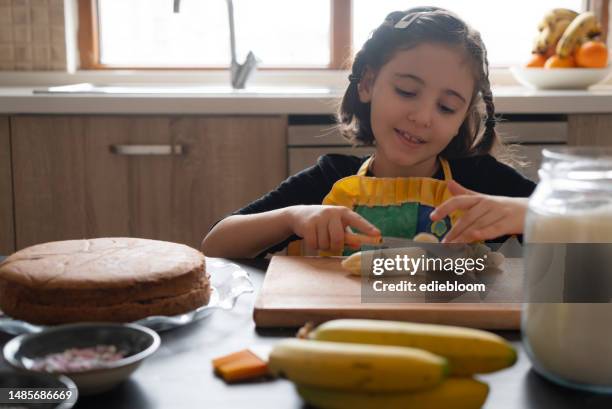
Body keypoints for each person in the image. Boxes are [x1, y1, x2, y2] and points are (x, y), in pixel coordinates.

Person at [202, 6, 536, 259]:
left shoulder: (481, 183)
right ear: (367, 84)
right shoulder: (330, 179)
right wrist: (292, 218)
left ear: (462, 117)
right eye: (406, 91)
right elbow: (216, 245)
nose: (422, 117)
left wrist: (527, 214)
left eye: (447, 107)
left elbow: (586, 248)